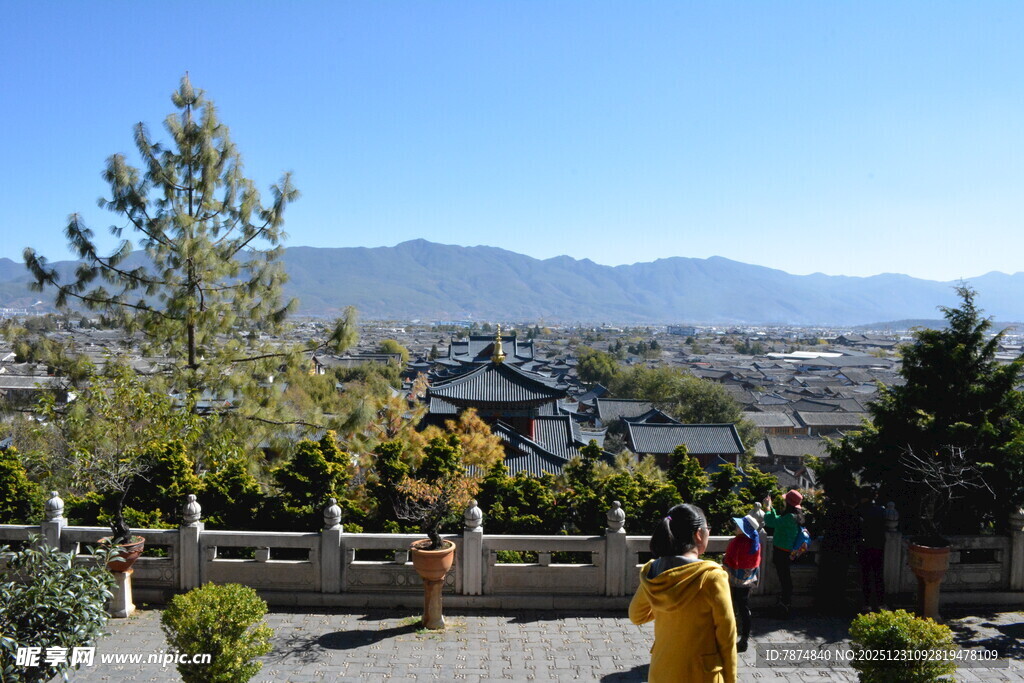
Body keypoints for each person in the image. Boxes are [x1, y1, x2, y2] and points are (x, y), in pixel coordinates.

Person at [629, 503, 737, 683]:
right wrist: (731, 679)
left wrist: (664, 609)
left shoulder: (654, 570)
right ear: (698, 534)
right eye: (707, 528)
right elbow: (727, 637)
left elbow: (636, 615)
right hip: (701, 674)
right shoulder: (711, 577)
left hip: (662, 670)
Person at [815, 489, 861, 615]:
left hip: (829, 549)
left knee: (826, 577)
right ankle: (837, 606)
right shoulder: (855, 516)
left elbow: (823, 526)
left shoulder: (833, 512)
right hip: (844, 551)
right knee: (840, 579)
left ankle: (822, 606)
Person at [763, 490, 805, 618]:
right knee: (785, 578)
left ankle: (785, 605)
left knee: (785, 579)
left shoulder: (789, 517)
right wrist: (771, 509)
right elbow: (777, 520)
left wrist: (768, 507)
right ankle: (784, 603)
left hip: (782, 552)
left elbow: (771, 522)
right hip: (787, 551)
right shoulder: (796, 516)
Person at [723, 514, 761, 653]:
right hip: (749, 580)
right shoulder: (754, 542)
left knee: (732, 607)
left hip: (735, 580)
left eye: (739, 526)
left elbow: (729, 560)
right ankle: (744, 638)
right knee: (744, 608)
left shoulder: (737, 542)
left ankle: (729, 637)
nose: (736, 527)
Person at [856, 486, 886, 611]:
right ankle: (880, 603)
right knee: (878, 575)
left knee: (865, 575)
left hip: (864, 546)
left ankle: (866, 604)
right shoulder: (881, 510)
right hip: (878, 546)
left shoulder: (859, 510)